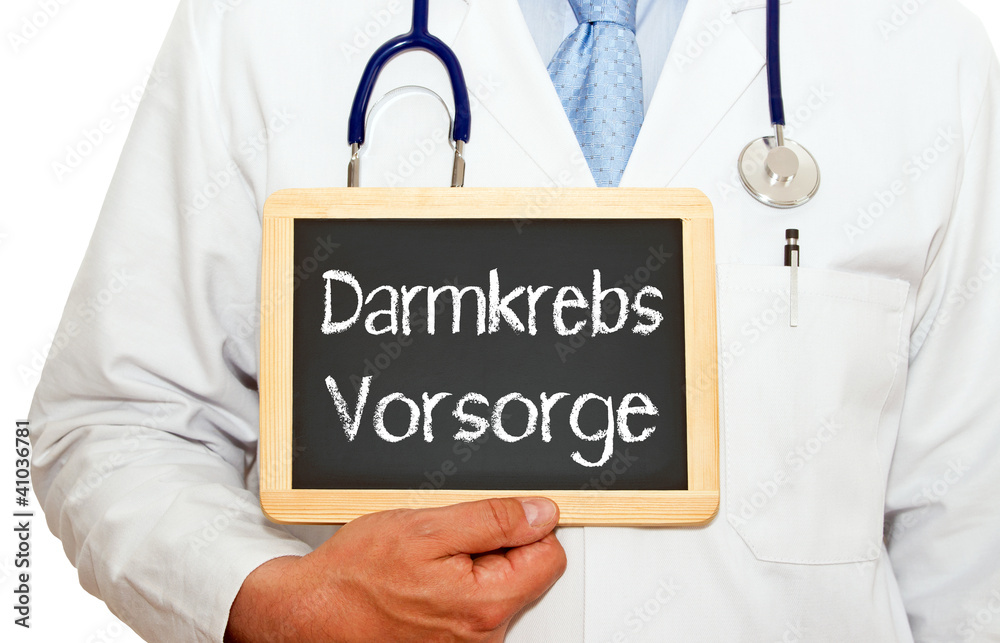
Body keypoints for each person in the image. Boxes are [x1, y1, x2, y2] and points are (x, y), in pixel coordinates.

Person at [29, 0, 1000, 641]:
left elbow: (969, 525)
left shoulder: (923, 53)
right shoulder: (265, 27)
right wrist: (272, 600)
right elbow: (111, 425)